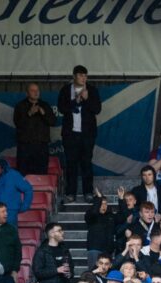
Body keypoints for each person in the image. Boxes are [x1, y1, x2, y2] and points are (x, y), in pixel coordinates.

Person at [57, 65, 101, 203]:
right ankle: (71, 193)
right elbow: (61, 108)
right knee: (71, 164)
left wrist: (87, 98)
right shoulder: (65, 90)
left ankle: (88, 192)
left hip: (87, 134)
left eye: (85, 76)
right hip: (70, 134)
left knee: (86, 163)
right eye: (81, 75)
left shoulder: (92, 90)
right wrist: (75, 101)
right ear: (74, 76)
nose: (84, 78)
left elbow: (97, 109)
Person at [13, 82, 56, 176]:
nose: (36, 92)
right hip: (25, 145)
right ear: (27, 93)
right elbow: (18, 123)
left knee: (41, 173)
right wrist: (29, 113)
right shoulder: (20, 106)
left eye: (37, 90)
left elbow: (53, 122)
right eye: (32, 90)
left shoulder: (45, 105)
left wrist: (44, 113)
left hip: (41, 146)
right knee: (23, 173)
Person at [0, 156, 33, 227]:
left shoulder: (13, 175)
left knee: (10, 236)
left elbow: (28, 189)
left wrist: (24, 206)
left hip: (10, 214)